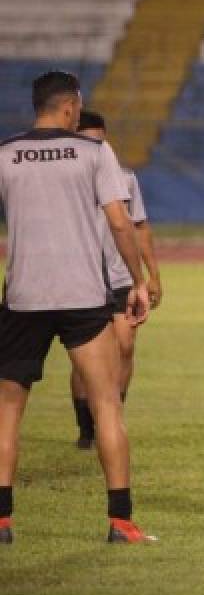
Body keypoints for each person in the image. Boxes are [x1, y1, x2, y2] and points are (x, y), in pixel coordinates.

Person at [0, 71, 153, 544]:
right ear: (71, 107)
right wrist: (138, 282)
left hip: (23, 297)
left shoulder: (5, 155)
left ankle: (2, 522)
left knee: (7, 411)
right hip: (84, 296)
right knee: (107, 405)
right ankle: (121, 522)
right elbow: (121, 224)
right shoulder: (93, 152)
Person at [69, 110, 164, 450]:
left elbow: (138, 226)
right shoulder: (65, 181)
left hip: (122, 276)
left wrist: (153, 274)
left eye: (100, 141)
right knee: (87, 359)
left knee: (124, 347)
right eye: (87, 141)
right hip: (82, 278)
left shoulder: (124, 178)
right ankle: (87, 427)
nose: (95, 148)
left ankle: (112, 417)